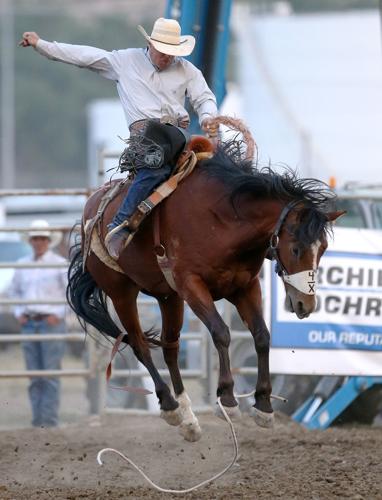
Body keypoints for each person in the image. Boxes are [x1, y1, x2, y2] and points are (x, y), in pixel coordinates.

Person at [19, 17, 219, 259]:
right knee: (154, 169)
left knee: (211, 171)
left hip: (175, 135)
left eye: (172, 52)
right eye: (163, 51)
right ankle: (119, 224)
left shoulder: (187, 70)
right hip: (147, 135)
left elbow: (204, 98)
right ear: (151, 45)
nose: (167, 57)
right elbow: (83, 56)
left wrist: (208, 116)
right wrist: (42, 44)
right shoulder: (124, 61)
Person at [8, 219, 67, 428]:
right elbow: (13, 292)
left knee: (49, 374)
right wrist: (19, 312)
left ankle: (48, 421)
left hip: (50, 322)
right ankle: (38, 421)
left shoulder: (59, 264)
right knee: (34, 375)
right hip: (29, 323)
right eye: (35, 238)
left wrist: (58, 314)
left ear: (48, 241)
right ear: (31, 241)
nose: (39, 242)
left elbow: (69, 294)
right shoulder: (22, 264)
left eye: (42, 238)